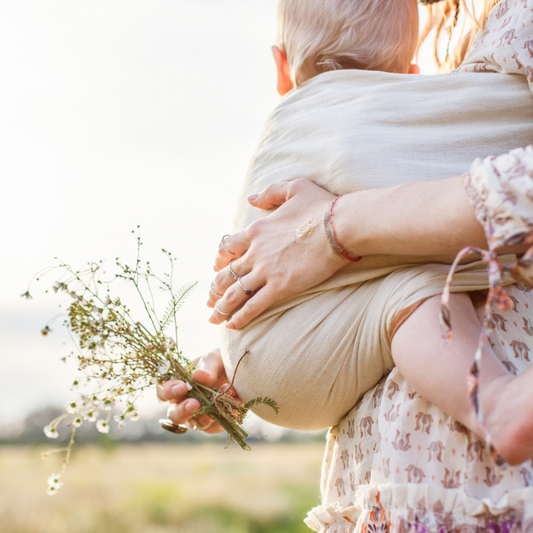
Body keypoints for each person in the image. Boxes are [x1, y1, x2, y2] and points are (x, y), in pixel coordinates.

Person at [159, 0, 533, 530]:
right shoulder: (408, 110)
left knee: (408, 278)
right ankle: (492, 400)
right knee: (412, 283)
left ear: (281, 68)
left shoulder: (290, 127)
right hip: (375, 461)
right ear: (408, 75)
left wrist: (256, 341)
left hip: (462, 485)